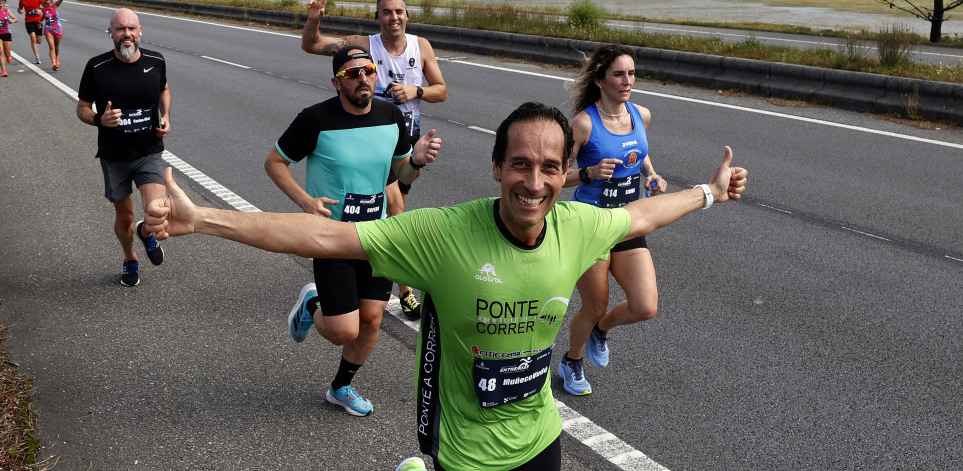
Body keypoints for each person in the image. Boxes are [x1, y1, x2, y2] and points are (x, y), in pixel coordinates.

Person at [142, 102, 748, 470]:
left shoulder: (580, 225)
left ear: (566, 174)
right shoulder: (443, 237)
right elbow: (325, 239)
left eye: (548, 168)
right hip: (465, 448)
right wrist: (208, 220)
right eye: (519, 164)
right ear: (496, 168)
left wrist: (710, 193)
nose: (533, 182)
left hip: (540, 436)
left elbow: (643, 215)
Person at [266, 45, 440, 417]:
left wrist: (418, 162)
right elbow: (275, 162)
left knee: (372, 321)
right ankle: (311, 303)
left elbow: (401, 174)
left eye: (368, 70)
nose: (363, 78)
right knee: (344, 331)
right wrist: (305, 200)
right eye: (352, 73)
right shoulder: (315, 120)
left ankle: (340, 387)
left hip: (376, 238)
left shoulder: (391, 115)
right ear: (337, 82)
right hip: (331, 236)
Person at [301, 0, 448, 320]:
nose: (393, 17)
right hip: (368, 138)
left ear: (407, 16)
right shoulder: (363, 45)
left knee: (384, 211)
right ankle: (404, 291)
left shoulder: (420, 46)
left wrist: (415, 92)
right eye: (387, 12)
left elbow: (441, 89)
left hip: (404, 139)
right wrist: (314, 20)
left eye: (399, 11)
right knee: (394, 212)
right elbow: (311, 44)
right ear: (377, 17)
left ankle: (355, 272)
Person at [556, 44, 668, 396]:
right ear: (601, 79)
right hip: (591, 226)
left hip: (628, 222)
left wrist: (651, 174)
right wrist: (588, 173)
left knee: (645, 305)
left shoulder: (641, 115)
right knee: (594, 303)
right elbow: (556, 176)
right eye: (619, 74)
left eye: (632, 73)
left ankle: (601, 329)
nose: (627, 81)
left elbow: (640, 155)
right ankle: (572, 360)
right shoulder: (584, 123)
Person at [75, 8, 170, 287]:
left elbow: (164, 89)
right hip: (114, 155)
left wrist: (166, 116)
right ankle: (130, 258)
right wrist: (99, 119)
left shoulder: (155, 60)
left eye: (131, 28)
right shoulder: (97, 67)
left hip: (148, 151)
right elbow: (81, 108)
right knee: (124, 215)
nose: (126, 34)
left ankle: (145, 231)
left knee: (156, 211)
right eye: (120, 29)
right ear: (110, 33)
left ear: (140, 31)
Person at [40, 0, 61, 71]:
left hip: (57, 30)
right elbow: (44, 16)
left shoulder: (55, 5)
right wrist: (40, 22)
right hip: (48, 30)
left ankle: (56, 56)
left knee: (56, 47)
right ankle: (54, 64)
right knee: (52, 47)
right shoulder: (44, 8)